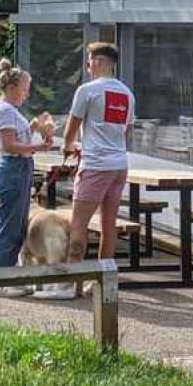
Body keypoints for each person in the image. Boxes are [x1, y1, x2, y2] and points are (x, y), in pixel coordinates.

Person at [62, 43, 135, 299]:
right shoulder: (127, 93)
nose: (88, 66)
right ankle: (103, 282)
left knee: (79, 224)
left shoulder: (87, 90)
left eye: (90, 61)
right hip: (118, 165)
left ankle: (72, 283)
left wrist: (67, 147)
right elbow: (127, 131)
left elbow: (72, 127)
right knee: (108, 225)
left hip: (94, 164)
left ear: (101, 62)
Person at [0, 59, 51, 297]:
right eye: (25, 88)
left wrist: (34, 126)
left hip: (18, 170)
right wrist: (40, 147)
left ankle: (7, 277)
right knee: (9, 229)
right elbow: (10, 145)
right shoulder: (5, 110)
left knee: (15, 228)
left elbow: (18, 138)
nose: (27, 94)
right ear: (12, 87)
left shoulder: (10, 111)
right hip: (13, 169)